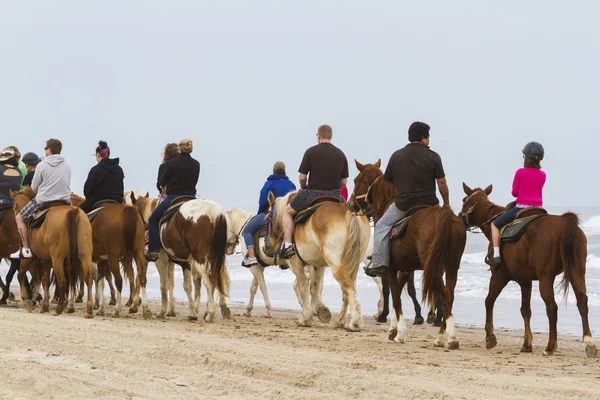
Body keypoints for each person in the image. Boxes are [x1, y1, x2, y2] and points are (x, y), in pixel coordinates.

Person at [365, 122, 449, 277]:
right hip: (430, 204)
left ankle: (379, 263)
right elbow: (441, 182)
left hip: (404, 205)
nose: (428, 140)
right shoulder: (433, 156)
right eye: (428, 137)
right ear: (423, 138)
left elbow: (388, 180)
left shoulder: (397, 155)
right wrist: (446, 203)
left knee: (381, 225)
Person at [278, 124, 349, 259]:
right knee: (351, 215)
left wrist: (303, 186)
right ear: (330, 136)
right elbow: (343, 182)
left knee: (287, 212)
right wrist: (334, 188)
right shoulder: (341, 154)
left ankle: (287, 244)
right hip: (335, 196)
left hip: (313, 194)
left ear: (319, 135)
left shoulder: (310, 152)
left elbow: (302, 177)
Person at [486, 142, 546, 266]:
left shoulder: (520, 172)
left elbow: (515, 193)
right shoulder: (543, 175)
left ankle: (496, 255)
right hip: (539, 209)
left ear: (526, 158)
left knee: (494, 224)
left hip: (521, 208)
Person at [10, 139, 72, 259]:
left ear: (49, 149)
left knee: (19, 218)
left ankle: (26, 249)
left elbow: (34, 187)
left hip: (43, 200)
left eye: (45, 148)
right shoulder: (67, 166)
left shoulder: (42, 165)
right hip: (65, 201)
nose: (45, 150)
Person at [145, 139, 200, 261]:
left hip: (174, 197)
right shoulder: (196, 164)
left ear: (180, 148)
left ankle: (153, 250)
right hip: (191, 198)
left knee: (153, 219)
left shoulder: (172, 164)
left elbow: (161, 182)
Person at [241, 161, 296, 267]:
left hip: (270, 214)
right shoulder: (291, 184)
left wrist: (260, 213)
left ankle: (251, 257)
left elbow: (262, 202)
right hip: (288, 216)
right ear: (285, 171)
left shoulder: (269, 184)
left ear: (273, 171)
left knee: (247, 231)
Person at [79, 141, 125, 213]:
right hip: (118, 201)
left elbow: (87, 191)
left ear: (97, 155)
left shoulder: (96, 169)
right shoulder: (119, 169)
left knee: (78, 212)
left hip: (99, 200)